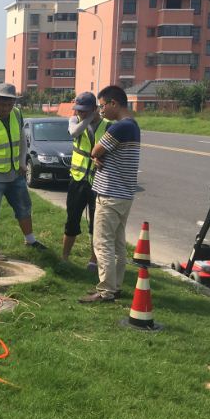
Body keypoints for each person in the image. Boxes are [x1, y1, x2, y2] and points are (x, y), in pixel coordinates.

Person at [79, 85, 141, 303]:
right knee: (117, 244)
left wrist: (96, 155)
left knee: (102, 242)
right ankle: (115, 286)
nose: (101, 110)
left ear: (114, 103)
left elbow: (95, 150)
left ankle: (105, 291)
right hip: (124, 194)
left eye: (103, 105)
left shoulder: (119, 127)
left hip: (110, 193)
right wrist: (98, 156)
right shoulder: (133, 125)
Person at [0, 83, 46, 259]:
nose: (6, 108)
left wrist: (22, 162)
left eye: (10, 104)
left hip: (15, 174)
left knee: (24, 207)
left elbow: (22, 140)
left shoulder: (17, 114)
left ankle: (30, 240)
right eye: (2, 104)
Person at [62, 92, 110, 269]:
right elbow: (74, 133)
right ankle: (64, 258)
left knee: (96, 224)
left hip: (98, 182)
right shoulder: (74, 121)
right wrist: (88, 118)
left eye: (85, 110)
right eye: (78, 110)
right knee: (72, 220)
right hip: (77, 179)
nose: (80, 113)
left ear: (95, 108)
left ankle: (93, 260)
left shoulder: (108, 126)